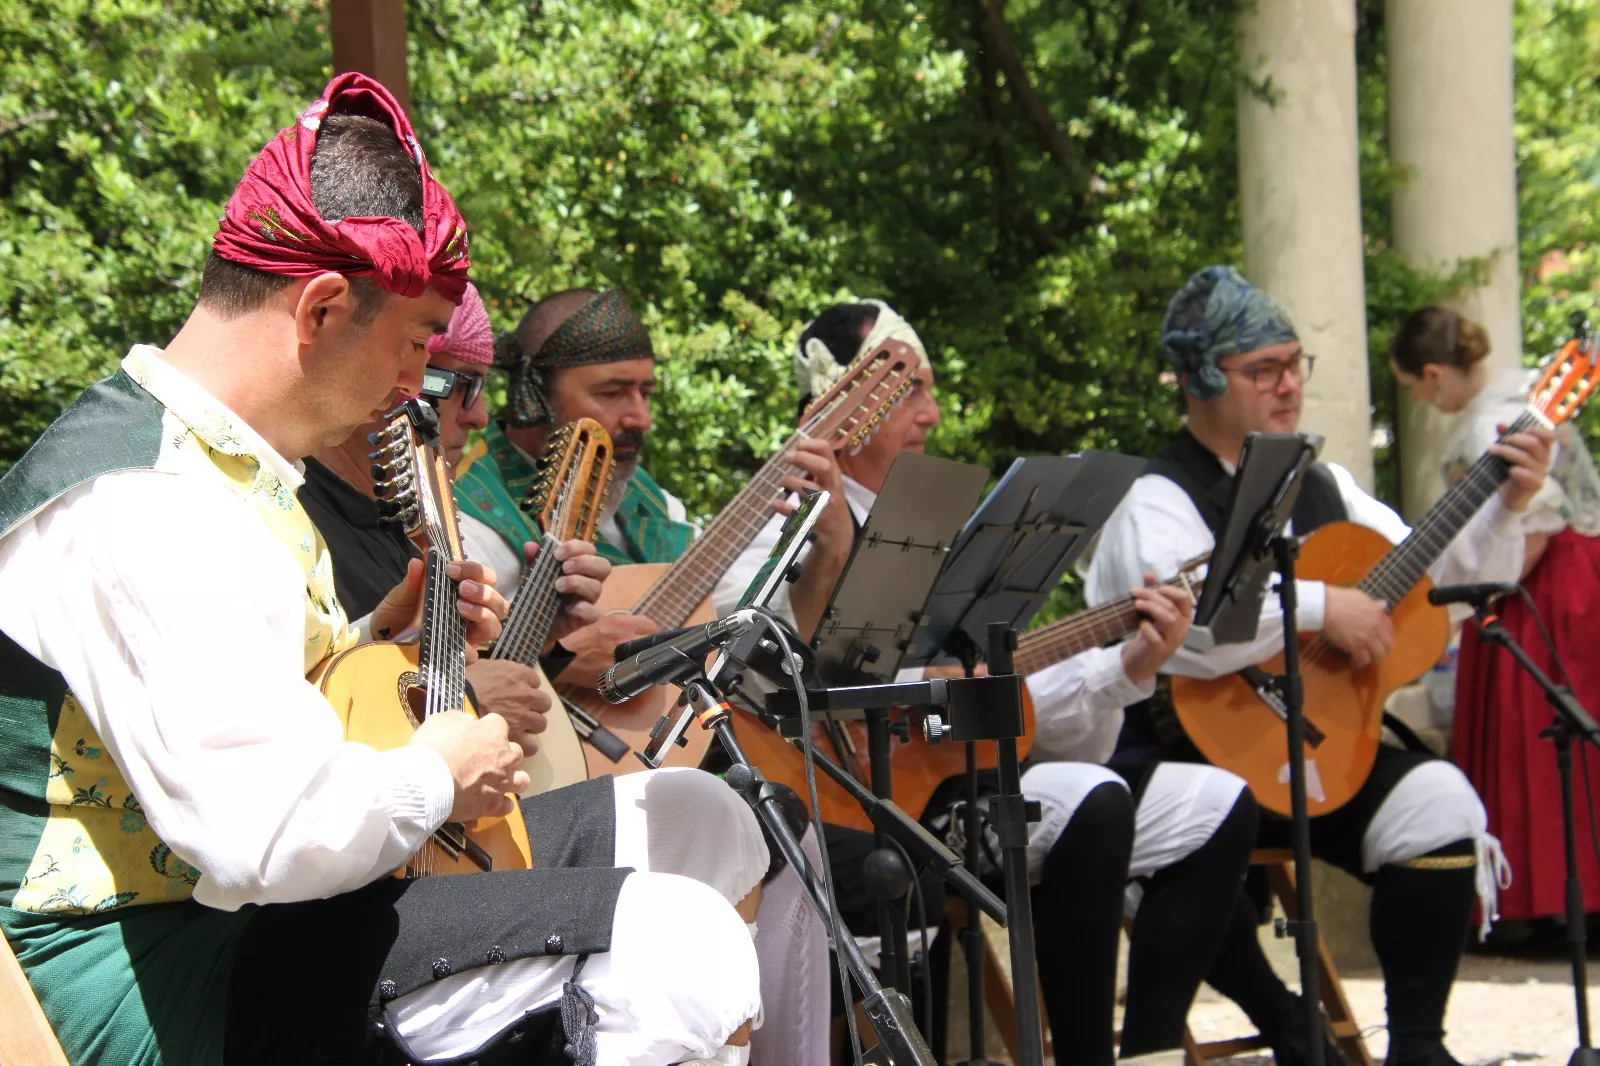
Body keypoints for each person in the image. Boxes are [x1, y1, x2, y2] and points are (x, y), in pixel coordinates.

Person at [0, 74, 766, 1066]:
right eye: (413, 343)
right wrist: (439, 772)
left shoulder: (220, 463)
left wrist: (381, 641)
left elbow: (222, 708)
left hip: (262, 917)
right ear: (319, 308)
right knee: (673, 939)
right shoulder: (147, 504)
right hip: (159, 972)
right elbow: (264, 839)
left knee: (699, 819)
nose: (419, 389)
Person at [715, 301, 1261, 1066]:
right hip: (839, 804)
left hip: (940, 794)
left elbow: (1037, 726)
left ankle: (1119, 1055)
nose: (932, 415)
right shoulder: (776, 518)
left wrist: (1129, 664)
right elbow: (739, 669)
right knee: (1074, 808)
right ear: (840, 401)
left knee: (1153, 799)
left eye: (928, 390)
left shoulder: (937, 535)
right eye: (907, 391)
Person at [1085, 266, 1554, 1066]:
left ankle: (1416, 1045)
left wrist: (1507, 505)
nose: (1288, 384)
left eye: (1295, 363)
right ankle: (1279, 1014)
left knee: (1441, 804)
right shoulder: (1154, 497)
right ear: (1201, 379)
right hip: (1196, 750)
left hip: (1316, 744)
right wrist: (1316, 607)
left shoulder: (1325, 486)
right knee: (1206, 822)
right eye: (1262, 369)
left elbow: (1433, 587)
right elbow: (1189, 629)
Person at [1391, 306, 1600, 925]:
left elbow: (1531, 522)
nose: (1426, 402)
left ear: (1434, 374)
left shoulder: (1492, 419)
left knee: (1531, 730)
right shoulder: (1519, 389)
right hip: (1578, 575)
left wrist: (1472, 602)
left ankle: (1546, 905)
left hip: (1540, 584)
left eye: (1416, 391)